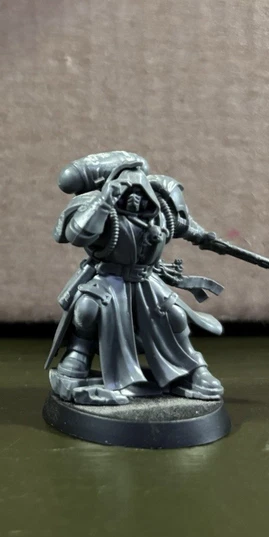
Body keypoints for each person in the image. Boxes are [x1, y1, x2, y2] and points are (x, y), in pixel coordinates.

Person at [46, 151, 225, 406]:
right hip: (108, 277)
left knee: (174, 314)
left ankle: (192, 366)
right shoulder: (102, 210)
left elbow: (184, 226)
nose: (134, 198)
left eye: (140, 193)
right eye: (128, 192)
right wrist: (104, 202)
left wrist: (205, 237)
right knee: (87, 309)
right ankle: (78, 354)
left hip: (145, 281)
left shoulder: (160, 212)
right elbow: (78, 235)